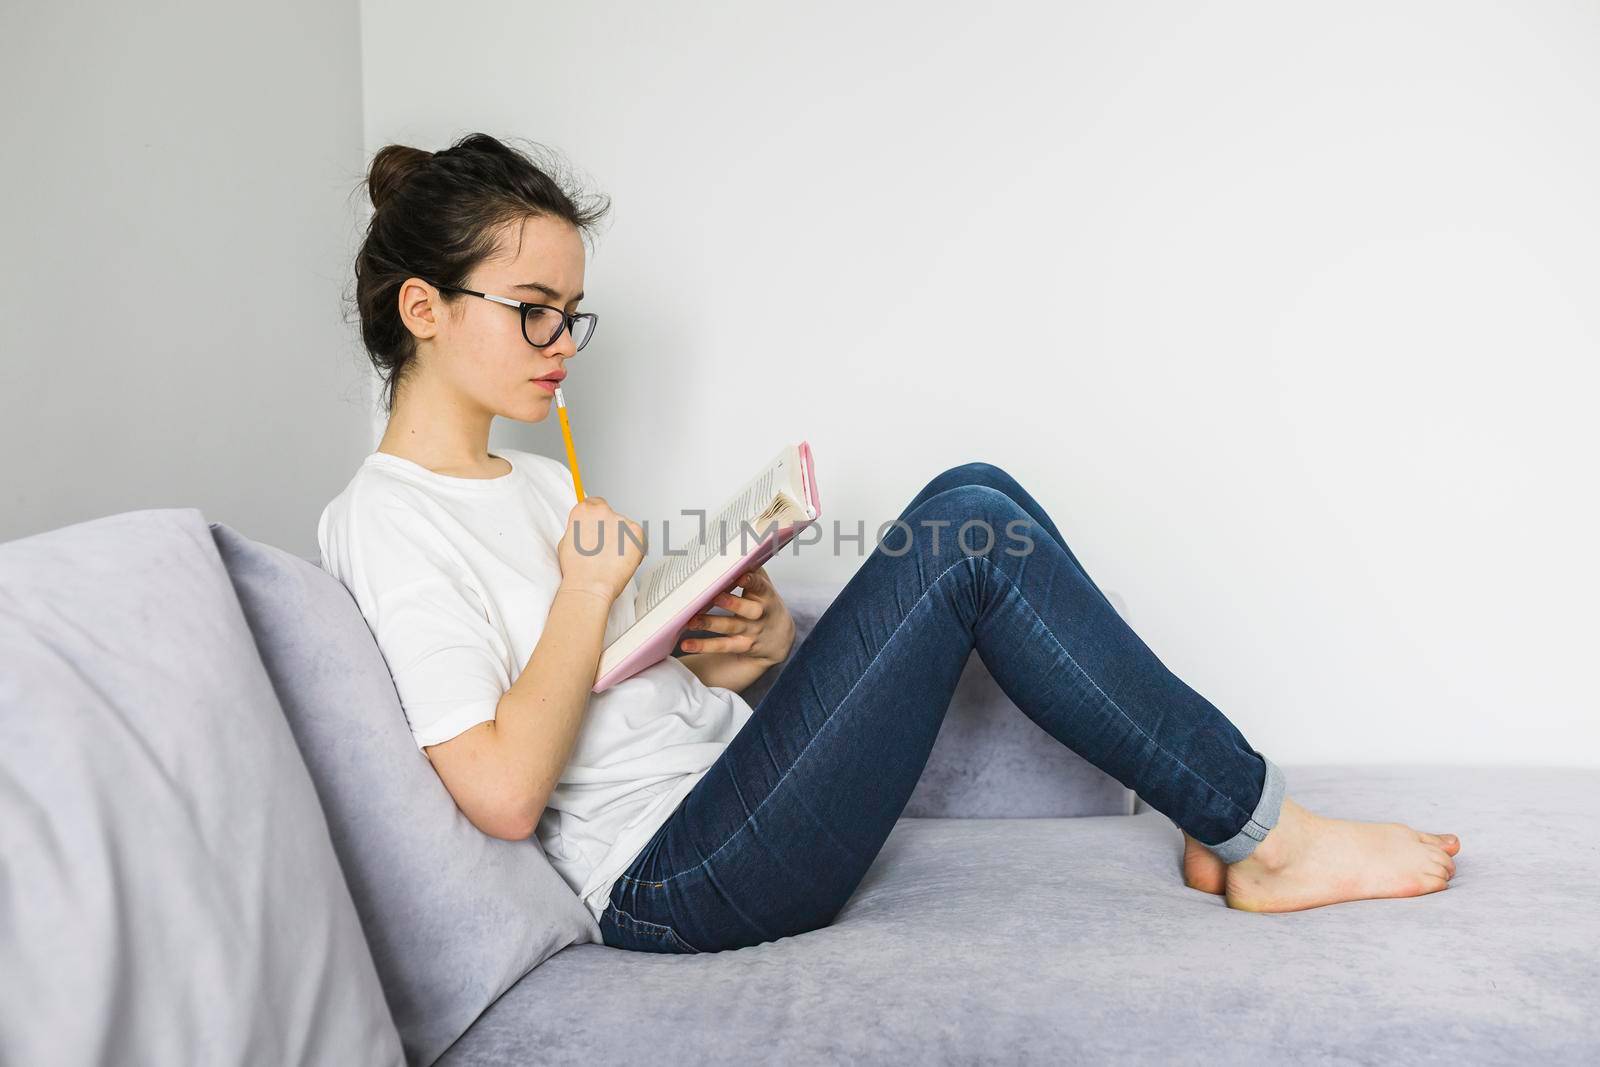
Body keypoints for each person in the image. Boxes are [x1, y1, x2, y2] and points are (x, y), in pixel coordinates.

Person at [318, 133, 1460, 956]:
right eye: (534, 308)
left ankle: (1218, 819)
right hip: (670, 883)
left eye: (573, 312)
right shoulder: (383, 515)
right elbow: (506, 793)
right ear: (425, 309)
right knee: (974, 538)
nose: (562, 340)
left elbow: (600, 691)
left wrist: (739, 649)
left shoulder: (530, 477)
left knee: (975, 491)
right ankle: (1266, 833)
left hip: (725, 787)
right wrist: (585, 594)